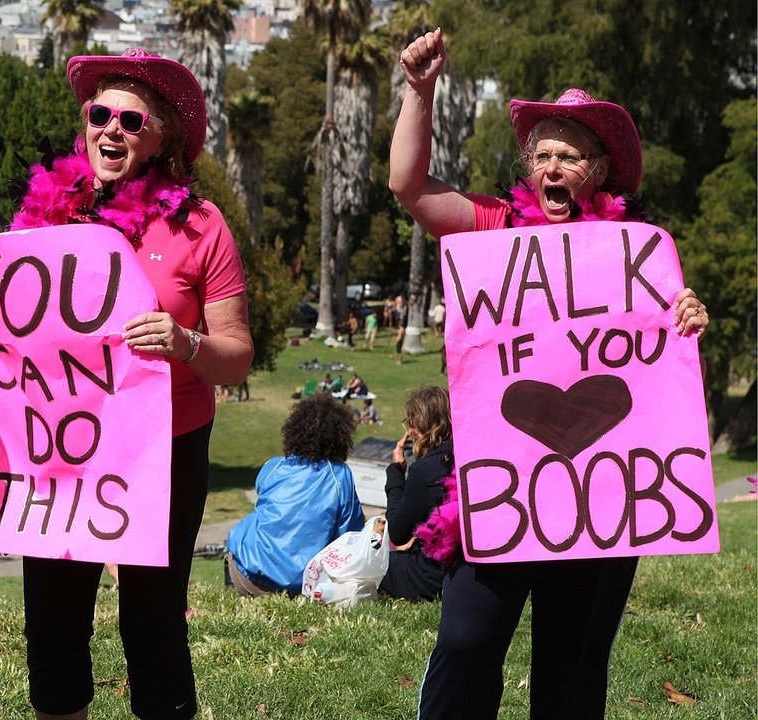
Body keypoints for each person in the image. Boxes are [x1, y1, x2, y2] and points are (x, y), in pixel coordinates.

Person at [389, 29, 710, 719]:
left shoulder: (640, 254)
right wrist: (420, 90)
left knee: (570, 671)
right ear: (530, 168)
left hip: (596, 494)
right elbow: (409, 187)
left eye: (571, 155)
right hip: (502, 486)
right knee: (468, 639)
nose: (554, 166)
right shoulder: (494, 229)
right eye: (543, 155)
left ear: (601, 171)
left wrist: (686, 312)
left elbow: (660, 361)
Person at [0, 48, 253, 720]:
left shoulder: (200, 226)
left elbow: (236, 356)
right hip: (60, 445)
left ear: (164, 136)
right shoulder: (42, 218)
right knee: (53, 623)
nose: (112, 130)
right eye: (100, 114)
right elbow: (8, 328)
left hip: (164, 448)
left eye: (131, 120)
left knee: (152, 622)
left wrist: (185, 342)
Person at [224, 394, 364, 597]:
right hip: (300, 585)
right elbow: (351, 534)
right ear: (341, 438)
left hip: (244, 575)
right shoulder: (340, 476)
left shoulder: (274, 466)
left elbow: (264, 500)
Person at [379, 387, 452, 602]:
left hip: (430, 577)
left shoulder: (424, 471)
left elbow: (398, 532)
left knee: (377, 565)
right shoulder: (467, 458)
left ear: (420, 427)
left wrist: (396, 473)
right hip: (463, 571)